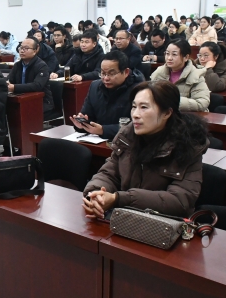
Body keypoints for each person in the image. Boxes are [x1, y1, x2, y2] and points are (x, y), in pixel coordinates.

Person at [82, 80, 209, 218]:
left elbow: (179, 201)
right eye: (134, 107)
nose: (135, 114)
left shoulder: (188, 145)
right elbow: (108, 173)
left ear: (167, 113)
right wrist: (96, 194)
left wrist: (119, 199)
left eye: (144, 107)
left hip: (162, 224)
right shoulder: (127, 135)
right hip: (125, 218)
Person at [71, 51, 144, 140]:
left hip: (129, 142)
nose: (106, 78)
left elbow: (138, 125)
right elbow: (88, 116)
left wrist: (103, 130)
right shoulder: (95, 87)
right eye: (103, 73)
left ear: (126, 72)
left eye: (111, 74)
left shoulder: (139, 91)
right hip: (99, 141)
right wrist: (82, 125)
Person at [150, 39, 210, 112]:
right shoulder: (158, 73)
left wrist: (173, 101)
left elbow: (202, 103)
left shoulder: (196, 75)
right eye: (167, 53)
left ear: (186, 57)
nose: (169, 58)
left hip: (187, 116)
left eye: (174, 54)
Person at [8, 37, 54, 112]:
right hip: (22, 99)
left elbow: (37, 85)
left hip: (40, 101)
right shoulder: (17, 65)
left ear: (35, 51)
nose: (22, 51)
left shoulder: (42, 66)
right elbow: (10, 80)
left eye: (26, 48)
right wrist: (7, 83)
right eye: (21, 48)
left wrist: (14, 87)